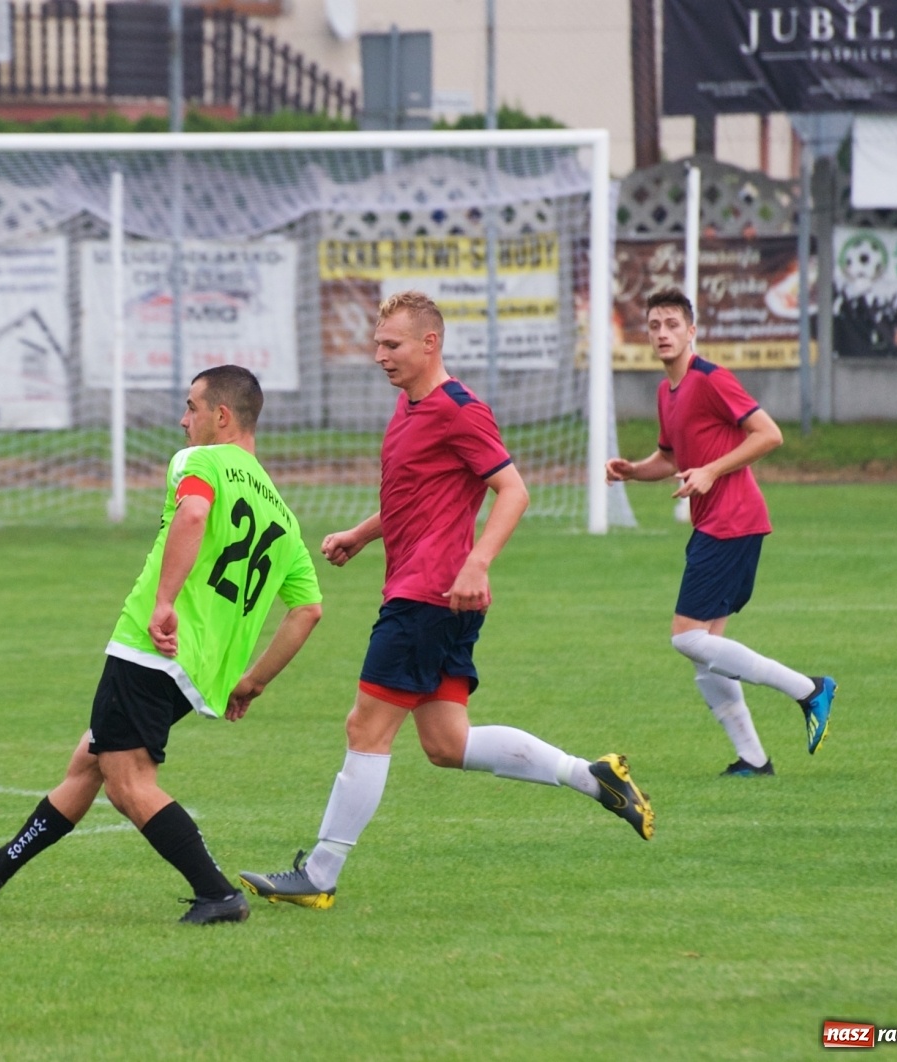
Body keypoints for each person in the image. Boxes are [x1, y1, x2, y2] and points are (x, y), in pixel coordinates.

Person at [238, 291, 653, 912]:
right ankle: (589, 776)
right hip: (434, 593)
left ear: (430, 344)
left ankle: (321, 872)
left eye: (392, 345)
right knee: (446, 743)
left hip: (429, 594)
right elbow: (419, 491)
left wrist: (477, 562)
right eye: (378, 344)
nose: (380, 356)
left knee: (365, 728)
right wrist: (362, 532)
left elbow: (512, 491)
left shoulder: (460, 409)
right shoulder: (410, 407)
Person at [0, 365, 324, 925]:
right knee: (92, 757)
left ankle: (217, 894)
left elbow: (196, 511)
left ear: (222, 416)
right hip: (200, 670)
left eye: (191, 407)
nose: (184, 421)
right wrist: (253, 681)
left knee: (128, 780)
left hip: (152, 644)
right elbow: (308, 610)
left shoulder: (200, 462)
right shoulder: (282, 513)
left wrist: (164, 601)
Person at [605, 286, 835, 776]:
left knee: (686, 638)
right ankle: (753, 759)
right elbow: (669, 458)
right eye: (654, 325)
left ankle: (810, 689)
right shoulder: (666, 393)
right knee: (706, 655)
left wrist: (711, 471)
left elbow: (769, 434)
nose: (663, 333)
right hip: (717, 524)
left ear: (692, 331)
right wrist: (631, 470)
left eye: (673, 325)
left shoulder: (711, 379)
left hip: (734, 522)